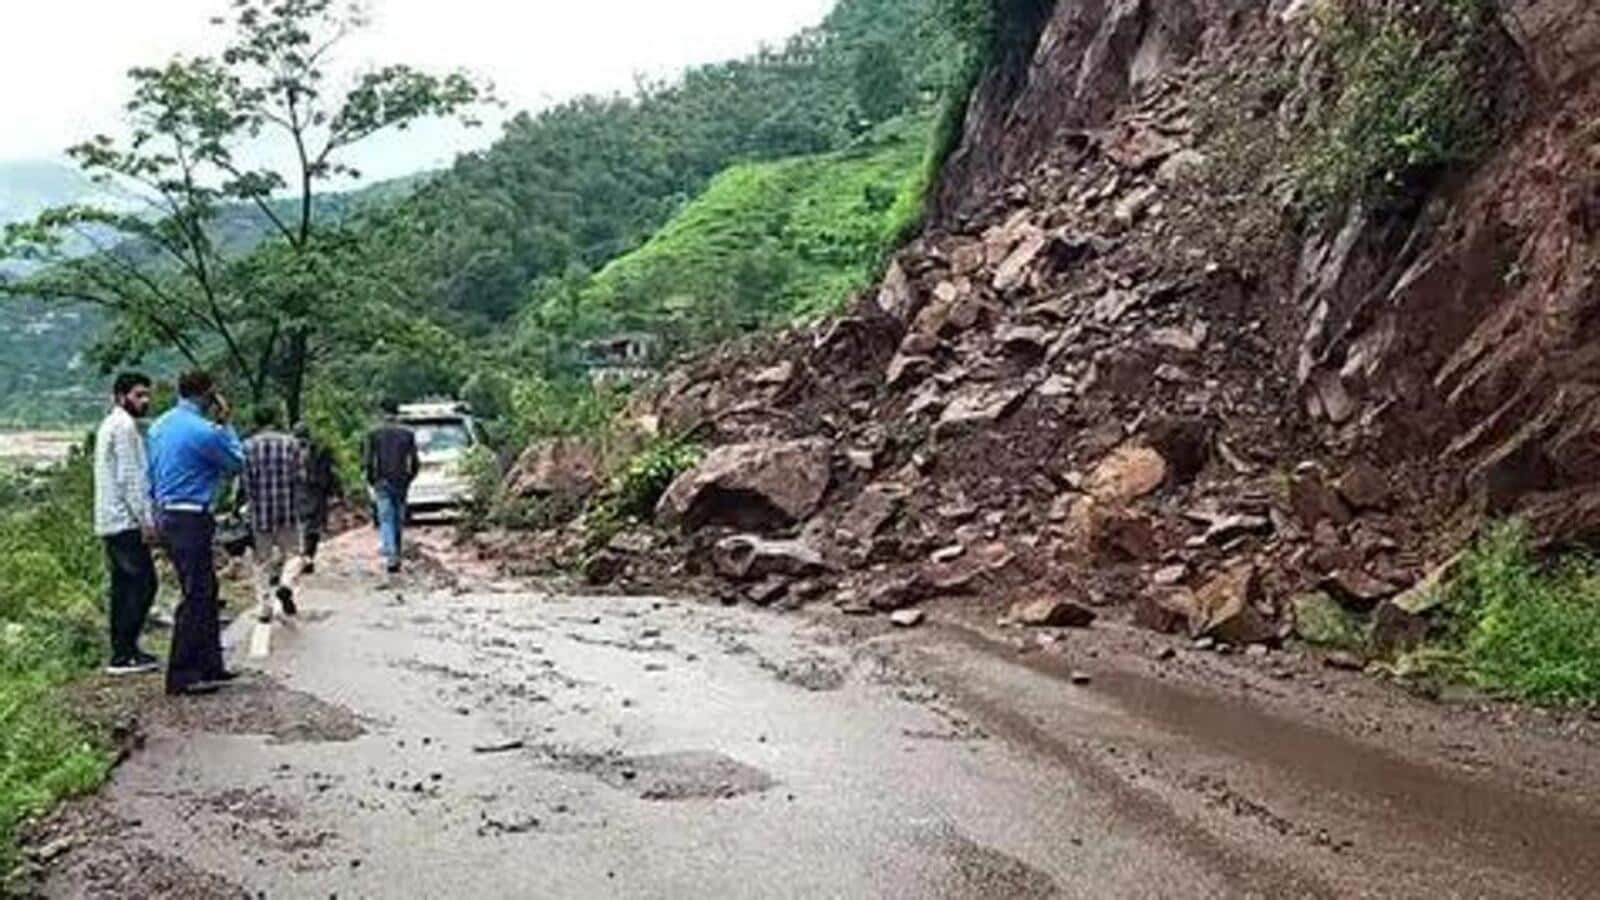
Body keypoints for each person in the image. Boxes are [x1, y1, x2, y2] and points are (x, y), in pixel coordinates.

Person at [147, 370, 245, 696]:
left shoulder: (159, 426)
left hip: (167, 514)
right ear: (208, 394)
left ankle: (209, 664)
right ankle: (182, 673)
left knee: (205, 588)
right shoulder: (206, 432)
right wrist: (226, 422)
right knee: (197, 594)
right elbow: (236, 463)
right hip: (192, 516)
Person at [92, 372, 160, 675]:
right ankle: (125, 653)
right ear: (121, 397)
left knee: (124, 586)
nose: (144, 401)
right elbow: (130, 478)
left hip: (111, 518)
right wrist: (146, 520)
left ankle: (123, 651)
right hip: (124, 519)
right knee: (143, 584)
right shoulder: (123, 427)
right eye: (138, 395)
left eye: (146, 395)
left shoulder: (111, 424)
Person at [242, 406, 306, 624]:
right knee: (295, 554)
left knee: (261, 561)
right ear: (275, 420)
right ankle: (286, 584)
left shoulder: (247, 447)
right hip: (287, 509)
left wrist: (245, 506)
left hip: (260, 512)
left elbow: (245, 482)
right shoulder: (291, 444)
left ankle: (264, 607)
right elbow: (300, 476)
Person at [363, 400, 418, 574]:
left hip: (382, 481)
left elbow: (368, 461)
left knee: (386, 519)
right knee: (398, 519)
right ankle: (397, 554)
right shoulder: (407, 434)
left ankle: (391, 556)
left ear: (382, 412)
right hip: (401, 481)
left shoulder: (374, 434)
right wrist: (409, 478)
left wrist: (372, 479)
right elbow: (415, 461)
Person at [293, 422, 340, 573]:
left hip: (301, 493)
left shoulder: (288, 451)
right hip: (315, 494)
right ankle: (307, 557)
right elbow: (330, 472)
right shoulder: (319, 450)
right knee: (311, 528)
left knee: (304, 527)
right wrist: (335, 491)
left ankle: (304, 557)